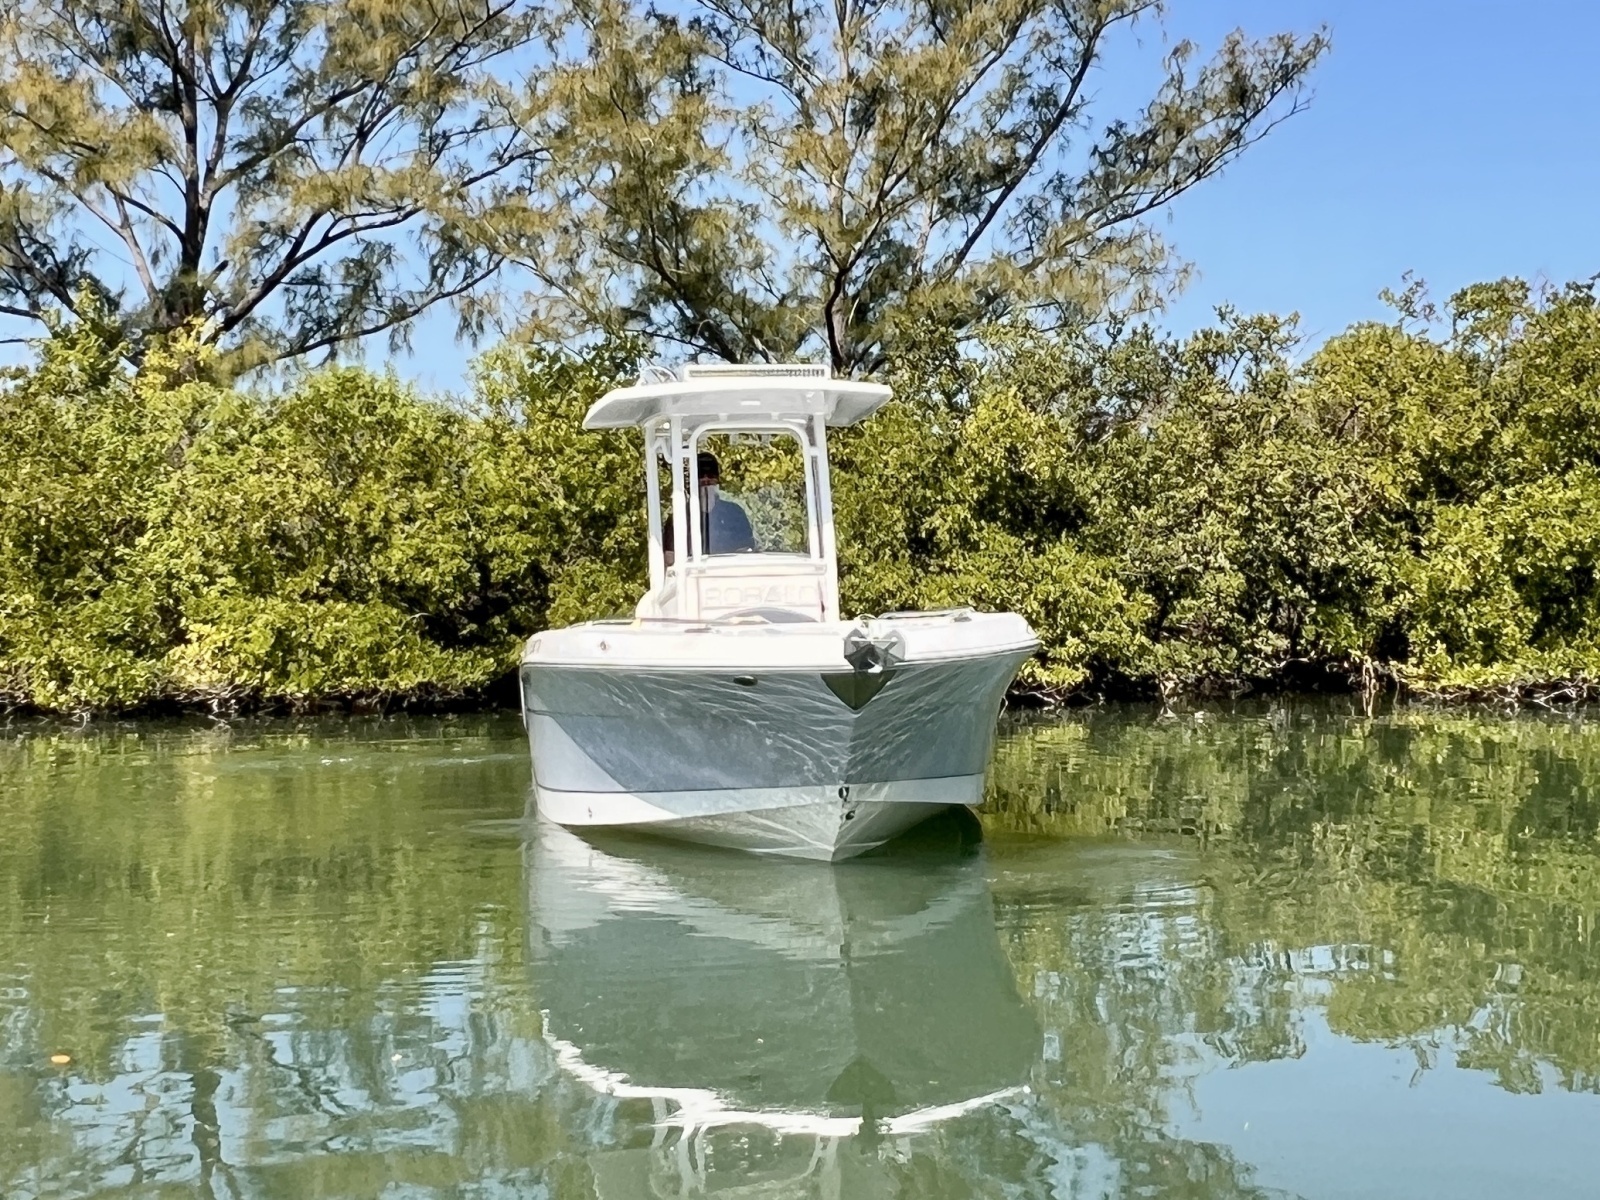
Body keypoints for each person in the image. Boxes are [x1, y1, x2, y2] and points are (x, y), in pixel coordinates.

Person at [663, 452, 755, 564]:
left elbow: (745, 554)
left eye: (711, 476)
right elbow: (670, 560)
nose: (706, 481)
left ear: (718, 480)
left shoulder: (735, 513)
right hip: (691, 578)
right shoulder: (678, 518)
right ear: (692, 482)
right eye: (700, 476)